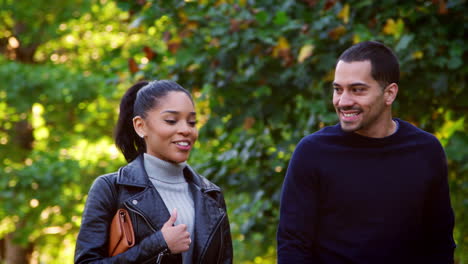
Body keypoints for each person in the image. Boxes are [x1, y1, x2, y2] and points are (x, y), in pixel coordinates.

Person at [277, 41, 455, 263]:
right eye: (337, 89)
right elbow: (292, 246)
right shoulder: (313, 153)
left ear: (389, 94)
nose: (343, 101)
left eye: (357, 90)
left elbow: (439, 243)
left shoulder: (425, 151)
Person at [75, 80, 233, 263]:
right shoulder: (111, 188)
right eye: (171, 121)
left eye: (191, 122)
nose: (185, 130)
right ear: (140, 126)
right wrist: (160, 244)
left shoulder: (211, 194)